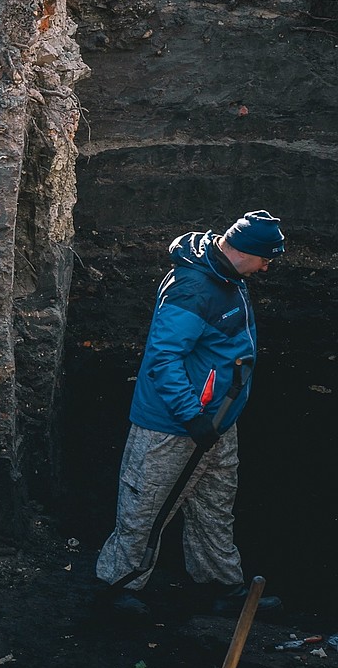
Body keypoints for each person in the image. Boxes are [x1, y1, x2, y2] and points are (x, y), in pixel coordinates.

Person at [95, 211, 286, 618]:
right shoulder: (193, 288)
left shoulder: (227, 277)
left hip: (218, 421)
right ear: (244, 252)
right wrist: (191, 416)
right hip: (172, 426)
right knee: (144, 505)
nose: (267, 267)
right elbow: (163, 358)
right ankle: (117, 587)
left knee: (214, 505)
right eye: (266, 259)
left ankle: (222, 586)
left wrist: (215, 418)